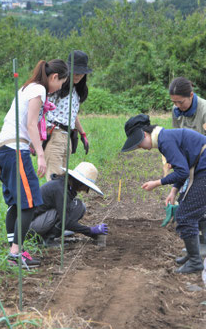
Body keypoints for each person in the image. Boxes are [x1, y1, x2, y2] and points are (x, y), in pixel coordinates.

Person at [0, 59, 68, 268]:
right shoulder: (39, 90)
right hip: (15, 149)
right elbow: (30, 124)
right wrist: (41, 154)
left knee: (18, 203)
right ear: (54, 77)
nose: (59, 88)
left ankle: (14, 252)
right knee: (29, 202)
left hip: (5, 149)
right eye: (61, 83)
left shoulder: (27, 87)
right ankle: (15, 254)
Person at [121, 114, 206, 274]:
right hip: (200, 168)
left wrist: (157, 183)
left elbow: (182, 171)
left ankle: (195, 261)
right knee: (186, 205)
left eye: (138, 143)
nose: (140, 147)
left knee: (186, 214)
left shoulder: (165, 141)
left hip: (204, 169)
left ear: (145, 134)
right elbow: (185, 168)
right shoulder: (165, 137)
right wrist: (173, 191)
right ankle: (192, 253)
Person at [169, 76, 206, 256]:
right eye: (174, 102)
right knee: (187, 199)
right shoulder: (176, 111)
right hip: (191, 163)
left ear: (191, 95)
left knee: (200, 201)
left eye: (180, 102)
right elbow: (176, 138)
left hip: (204, 161)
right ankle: (198, 242)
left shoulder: (204, 110)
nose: (177, 106)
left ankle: (204, 243)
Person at [29, 162, 108, 245]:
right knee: (66, 210)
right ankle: (47, 239)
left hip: (38, 221)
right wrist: (90, 231)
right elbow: (66, 221)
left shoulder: (64, 185)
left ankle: (48, 235)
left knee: (78, 206)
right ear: (80, 182)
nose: (84, 190)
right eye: (86, 187)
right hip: (30, 226)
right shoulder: (60, 190)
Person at [44, 50, 92, 181]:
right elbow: (42, 109)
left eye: (81, 72)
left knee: (63, 181)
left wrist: (83, 134)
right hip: (54, 134)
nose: (78, 75)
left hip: (68, 137)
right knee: (54, 180)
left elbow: (72, 114)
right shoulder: (58, 86)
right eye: (75, 71)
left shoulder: (78, 91)